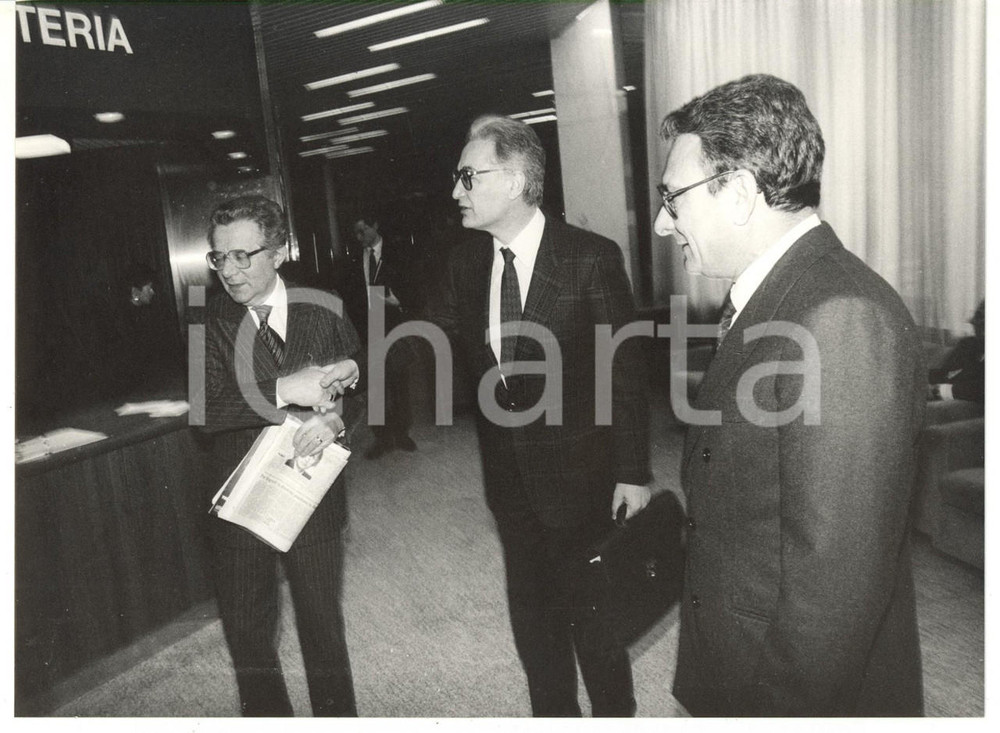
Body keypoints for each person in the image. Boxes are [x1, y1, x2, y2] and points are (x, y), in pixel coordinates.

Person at [654, 74, 925, 716]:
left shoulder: (841, 316)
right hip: (739, 653)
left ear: (742, 193)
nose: (666, 225)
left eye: (673, 199)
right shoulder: (781, 296)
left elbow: (833, 586)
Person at [429, 115, 652, 716]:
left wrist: (634, 471)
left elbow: (625, 373)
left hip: (586, 479)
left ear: (517, 179)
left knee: (597, 626)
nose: (456, 192)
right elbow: (429, 342)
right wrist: (352, 370)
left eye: (467, 177)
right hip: (509, 482)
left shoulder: (589, 259)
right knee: (534, 625)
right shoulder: (465, 265)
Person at [201, 194, 364, 716]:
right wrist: (281, 389)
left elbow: (360, 386)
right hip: (242, 499)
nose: (229, 270)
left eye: (242, 255)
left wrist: (336, 417)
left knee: (322, 627)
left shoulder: (327, 306)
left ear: (278, 252)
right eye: (219, 257)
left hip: (311, 492)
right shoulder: (203, 317)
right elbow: (204, 410)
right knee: (249, 635)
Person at [339, 211, 422, 458]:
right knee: (375, 383)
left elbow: (414, 287)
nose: (359, 237)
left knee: (398, 380)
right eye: (356, 233)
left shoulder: (398, 252)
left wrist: (397, 301)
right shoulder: (356, 258)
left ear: (375, 225)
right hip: (368, 328)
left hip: (395, 325)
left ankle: (402, 433)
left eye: (363, 230)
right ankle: (382, 438)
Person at [928, 299, 984, 403]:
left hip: (958, 405)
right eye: (978, 320)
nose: (975, 326)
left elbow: (980, 389)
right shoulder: (968, 344)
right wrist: (917, 377)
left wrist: (936, 391)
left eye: (982, 322)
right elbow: (945, 373)